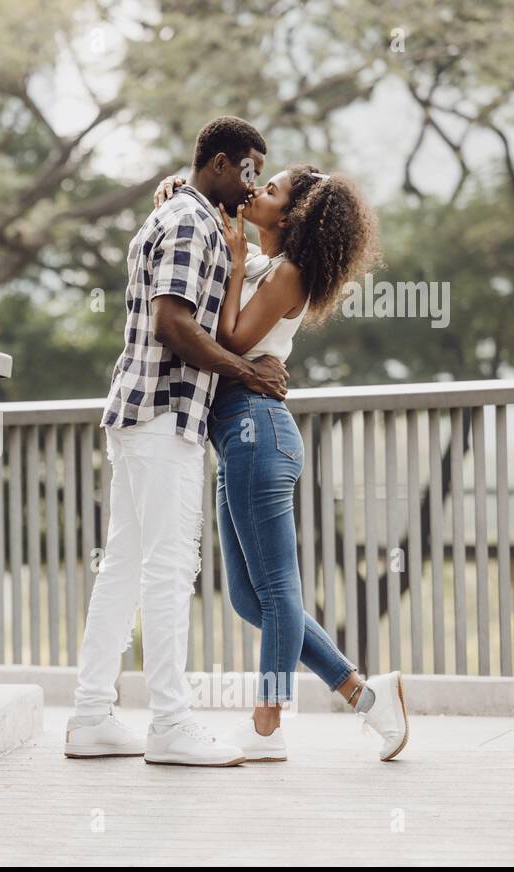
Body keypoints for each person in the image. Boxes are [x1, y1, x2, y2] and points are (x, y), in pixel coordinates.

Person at [153, 164, 408, 761]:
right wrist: (171, 184)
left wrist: (238, 262)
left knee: (276, 587)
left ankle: (267, 724)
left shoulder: (287, 272)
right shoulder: (264, 260)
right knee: (251, 598)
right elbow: (198, 198)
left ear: (291, 217)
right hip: (237, 436)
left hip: (256, 431)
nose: (256, 191)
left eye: (271, 190)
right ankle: (367, 697)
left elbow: (234, 342)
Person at [64, 116, 288, 766]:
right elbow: (172, 322)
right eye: (247, 169)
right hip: (164, 416)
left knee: (125, 569)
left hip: (144, 416)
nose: (251, 185)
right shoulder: (189, 221)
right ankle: (170, 725)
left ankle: (90, 718)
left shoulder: (186, 214)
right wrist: (248, 371)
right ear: (218, 163)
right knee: (166, 569)